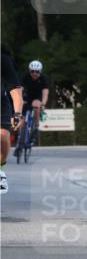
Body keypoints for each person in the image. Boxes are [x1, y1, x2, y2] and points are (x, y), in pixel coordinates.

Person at [1, 50, 24, 193]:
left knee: (3, 136)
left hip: (1, 103)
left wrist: (17, 114)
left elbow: (15, 92)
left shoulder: (3, 60)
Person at [21, 60, 50, 142]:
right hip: (27, 95)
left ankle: (36, 127)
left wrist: (43, 103)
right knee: (21, 114)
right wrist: (19, 99)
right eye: (32, 71)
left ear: (40, 71)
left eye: (37, 72)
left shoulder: (43, 78)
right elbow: (20, 89)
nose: (34, 73)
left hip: (38, 96)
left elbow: (45, 92)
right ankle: (21, 135)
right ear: (29, 71)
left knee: (36, 105)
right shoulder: (25, 76)